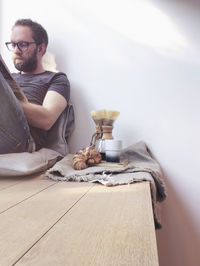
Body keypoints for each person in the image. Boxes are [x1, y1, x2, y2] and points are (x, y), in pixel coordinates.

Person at [0, 18, 71, 154]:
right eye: (13, 44)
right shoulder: (10, 77)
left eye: (22, 44)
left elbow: (46, 119)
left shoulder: (56, 79)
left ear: (41, 48)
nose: (16, 50)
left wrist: (8, 103)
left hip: (23, 139)